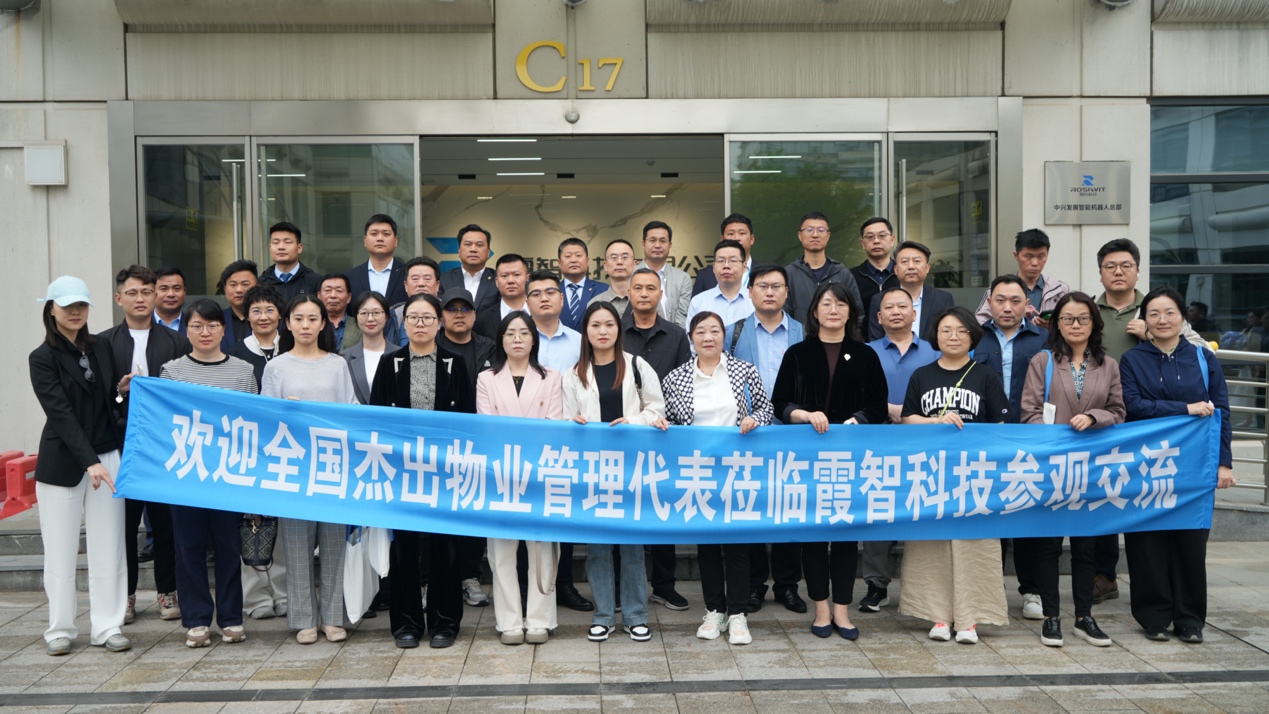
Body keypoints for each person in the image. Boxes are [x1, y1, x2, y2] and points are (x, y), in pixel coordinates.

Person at [771, 282, 887, 641]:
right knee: (814, 536)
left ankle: (842, 610)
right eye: (826, 304)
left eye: (840, 304)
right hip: (807, 459)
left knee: (846, 536)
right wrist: (804, 414)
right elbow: (780, 404)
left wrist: (857, 420)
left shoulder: (866, 355)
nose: (833, 310)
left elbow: (878, 406)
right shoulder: (797, 353)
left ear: (851, 312)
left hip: (851, 459)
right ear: (815, 312)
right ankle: (820, 608)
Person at [1119, 286, 1236, 643]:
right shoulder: (1132, 360)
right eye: (1153, 314)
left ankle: (1190, 619)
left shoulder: (1203, 358)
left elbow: (1221, 411)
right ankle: (1153, 617)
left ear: (1183, 317)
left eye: (1170, 312)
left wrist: (1224, 463)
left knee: (1190, 541)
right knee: (1147, 541)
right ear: (1144, 320)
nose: (1162, 320)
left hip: (1194, 465)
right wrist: (1185, 409)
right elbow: (1134, 406)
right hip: (1147, 464)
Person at [30, 276, 130, 656]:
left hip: (107, 457)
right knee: (60, 549)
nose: (76, 311)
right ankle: (60, 628)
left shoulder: (101, 346)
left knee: (109, 546)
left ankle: (108, 626)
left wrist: (120, 392)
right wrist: (90, 462)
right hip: (63, 463)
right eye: (68, 305)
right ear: (51, 309)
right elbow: (61, 415)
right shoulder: (42, 358)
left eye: (82, 305)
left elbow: (107, 402)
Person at [369, 293, 476, 649]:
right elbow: (378, 418)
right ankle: (407, 623)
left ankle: (445, 622)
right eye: (413, 317)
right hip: (401, 470)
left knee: (445, 546)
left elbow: (467, 419)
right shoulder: (390, 363)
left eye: (427, 317)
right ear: (403, 323)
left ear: (439, 323)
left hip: (444, 470)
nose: (420, 323)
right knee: (405, 548)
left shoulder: (455, 363)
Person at [1019, 292, 1124, 648]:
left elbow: (1118, 411)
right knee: (1048, 546)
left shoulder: (1108, 365)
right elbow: (1029, 412)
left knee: (1085, 547)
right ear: (1057, 324)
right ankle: (1051, 617)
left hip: (1091, 468)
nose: (1075, 325)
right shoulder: (1043, 361)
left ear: (1094, 323)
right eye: (1067, 318)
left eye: (1082, 318)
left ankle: (1084, 617)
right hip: (1051, 467)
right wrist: (1057, 440)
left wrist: (1094, 417)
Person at [899, 306, 1010, 644]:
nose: (953, 337)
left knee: (975, 545)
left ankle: (970, 619)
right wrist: (937, 421)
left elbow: (1000, 424)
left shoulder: (985, 375)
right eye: (946, 330)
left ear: (973, 337)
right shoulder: (922, 375)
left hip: (975, 475)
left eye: (962, 331)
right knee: (930, 545)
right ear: (935, 335)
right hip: (931, 474)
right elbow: (907, 418)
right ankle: (937, 616)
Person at [662, 311, 773, 645]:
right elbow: (669, 419)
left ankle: (738, 614)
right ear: (691, 338)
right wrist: (663, 424)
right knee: (707, 545)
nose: (707, 337)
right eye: (700, 331)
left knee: (737, 544)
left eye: (714, 331)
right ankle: (714, 610)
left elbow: (766, 409)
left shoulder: (744, 371)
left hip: (738, 469)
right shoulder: (676, 378)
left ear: (724, 336)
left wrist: (754, 419)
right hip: (698, 471)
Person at [562, 301, 668, 643]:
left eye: (609, 324)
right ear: (586, 332)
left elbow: (656, 410)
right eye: (595, 325)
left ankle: (636, 615)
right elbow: (565, 417)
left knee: (633, 547)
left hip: (631, 468)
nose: (603, 331)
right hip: (593, 470)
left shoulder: (636, 365)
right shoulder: (574, 373)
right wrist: (572, 422)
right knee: (598, 548)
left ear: (618, 329)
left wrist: (632, 420)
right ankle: (604, 616)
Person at [159, 298, 259, 648]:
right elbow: (165, 421)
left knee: (230, 548)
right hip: (187, 475)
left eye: (212, 325)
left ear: (223, 329)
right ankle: (197, 619)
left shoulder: (243, 371)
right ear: (186, 331)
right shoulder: (171, 371)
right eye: (197, 326)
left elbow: (253, 424)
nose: (205, 332)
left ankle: (231, 617)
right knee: (189, 549)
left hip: (229, 475)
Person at [261, 295, 358, 645]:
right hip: (293, 468)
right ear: (287, 323)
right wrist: (285, 412)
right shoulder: (276, 367)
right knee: (297, 548)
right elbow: (264, 417)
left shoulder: (337, 364)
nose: (305, 325)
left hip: (332, 466)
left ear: (323, 323)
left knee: (333, 547)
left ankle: (332, 618)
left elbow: (351, 410)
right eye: (298, 318)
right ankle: (303, 618)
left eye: (312, 318)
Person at [98, 265, 189, 626]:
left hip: (165, 445)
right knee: (123, 524)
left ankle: (168, 591)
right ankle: (126, 595)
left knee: (166, 523)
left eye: (147, 292)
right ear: (118, 298)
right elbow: (100, 399)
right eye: (132, 293)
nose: (141, 299)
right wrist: (119, 394)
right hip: (122, 446)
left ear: (155, 296)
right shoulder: (103, 343)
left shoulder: (175, 341)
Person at [723, 264, 808, 615]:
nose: (769, 292)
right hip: (749, 434)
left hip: (793, 432)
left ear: (787, 292)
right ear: (750, 291)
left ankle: (787, 585)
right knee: (751, 506)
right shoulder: (733, 332)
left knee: (790, 507)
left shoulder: (803, 331)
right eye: (762, 286)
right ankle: (754, 585)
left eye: (776, 286)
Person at [477, 313, 564, 646]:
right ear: (501, 339)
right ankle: (509, 621)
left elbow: (553, 426)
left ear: (533, 340)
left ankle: (540, 619)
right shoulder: (487, 378)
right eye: (510, 333)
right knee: (501, 553)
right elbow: (487, 428)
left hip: (540, 474)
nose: (517, 338)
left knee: (541, 552)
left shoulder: (551, 377)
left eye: (524, 333)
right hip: (500, 475)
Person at [973, 274, 1049, 621]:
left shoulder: (1044, 340)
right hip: (984, 442)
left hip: (1029, 440)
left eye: (1015, 301)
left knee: (1028, 516)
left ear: (1027, 305)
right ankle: (989, 591)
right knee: (990, 517)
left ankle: (1032, 590)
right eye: (1000, 300)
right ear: (988, 302)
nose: (1007, 307)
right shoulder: (974, 337)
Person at [860, 286, 939, 612]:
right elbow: (858, 395)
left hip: (924, 446)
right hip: (878, 444)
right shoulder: (865, 353)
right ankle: (876, 586)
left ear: (914, 313)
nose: (896, 311)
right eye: (889, 307)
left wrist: (910, 416)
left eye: (902, 306)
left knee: (924, 514)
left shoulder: (934, 352)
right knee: (877, 514)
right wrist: (890, 410)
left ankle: (924, 587)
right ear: (879, 317)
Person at [620, 268, 692, 612]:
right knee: (623, 511)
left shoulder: (676, 335)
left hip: (664, 433)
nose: (645, 293)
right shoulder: (614, 331)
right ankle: (622, 586)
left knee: (663, 509)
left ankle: (664, 585)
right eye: (638, 288)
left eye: (651, 288)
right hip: (623, 432)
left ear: (661, 294)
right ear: (629, 293)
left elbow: (684, 381)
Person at [524, 270, 592, 612]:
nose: (544, 298)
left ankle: (563, 584)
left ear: (562, 298)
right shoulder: (519, 337)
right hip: (525, 443)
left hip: (568, 442)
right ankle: (528, 586)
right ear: (527, 302)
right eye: (536, 293)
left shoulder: (580, 341)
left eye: (550, 292)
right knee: (527, 515)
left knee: (563, 514)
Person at [974, 229, 1070, 329]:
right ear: (1016, 255)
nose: (1035, 263)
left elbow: (1072, 324)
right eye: (1028, 256)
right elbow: (978, 323)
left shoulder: (1060, 289)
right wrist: (1014, 317)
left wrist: (1054, 326)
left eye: (1041, 256)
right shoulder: (998, 289)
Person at [784, 212, 862, 324]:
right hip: (800, 335)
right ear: (800, 235)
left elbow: (857, 314)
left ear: (828, 236)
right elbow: (783, 315)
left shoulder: (842, 273)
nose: (815, 235)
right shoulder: (789, 274)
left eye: (821, 230)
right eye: (809, 230)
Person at [867, 241, 955, 341]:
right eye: (904, 262)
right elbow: (875, 340)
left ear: (927, 268)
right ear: (896, 269)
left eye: (917, 261)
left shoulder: (943, 299)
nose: (911, 267)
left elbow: (948, 336)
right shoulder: (879, 300)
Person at [344, 290, 400, 405]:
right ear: (356, 317)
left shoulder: (402, 355)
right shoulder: (344, 358)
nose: (370, 319)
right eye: (364, 313)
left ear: (386, 316)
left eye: (376, 313)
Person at [686, 240, 756, 330]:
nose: (726, 266)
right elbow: (692, 337)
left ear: (744, 266)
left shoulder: (756, 300)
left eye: (733, 260)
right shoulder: (698, 302)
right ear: (713, 267)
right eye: (721, 261)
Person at [438, 287, 496, 395]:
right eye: (452, 309)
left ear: (474, 315)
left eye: (465, 309)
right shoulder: (430, 346)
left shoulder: (489, 349)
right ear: (441, 316)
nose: (459, 315)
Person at [637, 221, 692, 325]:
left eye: (663, 241)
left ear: (670, 245)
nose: (657, 245)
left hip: (674, 335)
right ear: (643, 243)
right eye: (652, 240)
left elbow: (682, 318)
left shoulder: (683, 279)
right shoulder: (631, 276)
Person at [345, 214, 407, 306]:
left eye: (386, 234)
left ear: (395, 241)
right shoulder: (350, 277)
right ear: (365, 240)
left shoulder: (408, 274)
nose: (380, 239)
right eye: (374, 234)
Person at [230, 284, 286, 387]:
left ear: (279, 314)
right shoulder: (235, 353)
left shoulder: (292, 348)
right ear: (247, 316)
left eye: (270, 310)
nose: (263, 317)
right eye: (256, 311)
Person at [439, 224, 498, 314]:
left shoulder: (498, 279)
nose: (473, 249)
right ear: (459, 251)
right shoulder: (444, 279)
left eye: (479, 245)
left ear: (488, 252)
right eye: (468, 244)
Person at [257, 221, 323, 301]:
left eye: (287, 242)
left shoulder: (315, 281)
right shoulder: (260, 283)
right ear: (270, 248)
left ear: (299, 248)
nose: (281, 247)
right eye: (276, 242)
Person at [693, 214, 756, 296]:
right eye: (731, 234)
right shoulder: (704, 275)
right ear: (722, 239)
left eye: (742, 233)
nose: (736, 238)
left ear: (751, 239)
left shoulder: (765, 273)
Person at [473, 253, 531, 340]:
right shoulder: (482, 320)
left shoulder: (542, 313)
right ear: (497, 282)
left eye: (516, 275)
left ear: (528, 278)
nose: (510, 281)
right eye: (504, 276)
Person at [850, 217, 900, 316]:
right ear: (863, 243)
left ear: (892, 240)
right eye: (870, 237)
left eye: (882, 236)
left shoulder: (903, 273)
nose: (876, 241)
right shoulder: (851, 277)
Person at [557, 237, 608, 332]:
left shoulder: (604, 290)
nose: (573, 260)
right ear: (559, 263)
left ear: (587, 261)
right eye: (568, 256)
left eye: (578, 255)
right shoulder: (552, 291)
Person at [390, 256, 441, 346]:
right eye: (415, 279)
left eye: (427, 279)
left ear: (437, 285)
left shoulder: (449, 313)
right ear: (406, 285)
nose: (421, 284)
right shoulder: (393, 316)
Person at [216, 259, 258, 352]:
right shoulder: (216, 319)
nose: (239, 290)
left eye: (245, 284)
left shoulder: (268, 320)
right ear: (225, 289)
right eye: (233, 285)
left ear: (257, 287)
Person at [589, 239, 637, 317]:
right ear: (605, 265)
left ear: (634, 264)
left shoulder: (646, 300)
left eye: (625, 257)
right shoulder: (595, 303)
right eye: (614, 258)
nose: (619, 262)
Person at [319, 273, 360, 352]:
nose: (333, 295)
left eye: (339, 291)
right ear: (319, 296)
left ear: (348, 298)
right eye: (327, 290)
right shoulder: (311, 324)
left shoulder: (359, 325)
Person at [153, 266, 187, 333]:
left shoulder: (194, 325)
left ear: (184, 292)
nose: (170, 294)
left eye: (176, 289)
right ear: (153, 292)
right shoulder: (141, 325)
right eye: (164, 289)